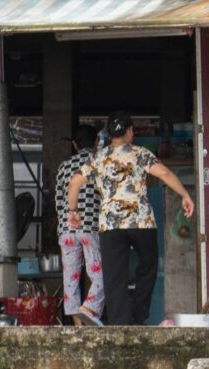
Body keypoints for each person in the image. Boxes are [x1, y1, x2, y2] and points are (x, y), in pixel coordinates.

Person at [66, 112, 194, 325]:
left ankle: (121, 323)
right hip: (141, 222)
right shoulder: (140, 153)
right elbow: (164, 174)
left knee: (114, 277)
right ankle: (138, 315)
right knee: (148, 265)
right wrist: (185, 195)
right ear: (129, 132)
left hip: (110, 225)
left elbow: (74, 184)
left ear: (109, 134)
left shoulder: (98, 157)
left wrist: (73, 212)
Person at [54, 124, 104, 326]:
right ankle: (89, 308)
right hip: (90, 228)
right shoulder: (99, 163)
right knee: (99, 276)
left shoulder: (63, 167)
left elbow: (59, 201)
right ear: (96, 143)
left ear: (74, 145)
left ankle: (78, 326)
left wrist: (65, 223)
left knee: (70, 280)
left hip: (66, 230)